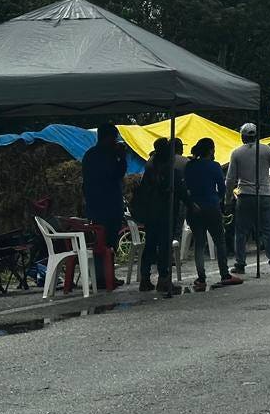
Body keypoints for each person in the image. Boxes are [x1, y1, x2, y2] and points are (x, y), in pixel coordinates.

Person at [132, 138, 190, 295]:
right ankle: (164, 280)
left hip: (150, 213)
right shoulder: (169, 169)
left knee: (150, 245)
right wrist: (192, 205)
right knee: (164, 247)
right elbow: (181, 190)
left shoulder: (150, 165)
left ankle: (145, 278)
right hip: (165, 213)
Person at [226, 123, 270, 275]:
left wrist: (227, 199)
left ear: (242, 136)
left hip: (245, 195)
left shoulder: (237, 153)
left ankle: (240, 263)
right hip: (264, 194)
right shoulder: (265, 149)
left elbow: (230, 179)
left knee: (241, 232)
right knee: (269, 230)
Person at [184, 137, 241, 289]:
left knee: (199, 243)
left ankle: (201, 278)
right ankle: (225, 275)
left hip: (194, 208)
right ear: (210, 150)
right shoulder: (214, 166)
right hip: (211, 207)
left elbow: (186, 187)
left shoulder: (189, 166)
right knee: (220, 242)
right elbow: (222, 188)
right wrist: (219, 199)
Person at [81, 122, 127, 289]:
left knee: (101, 243)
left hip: (95, 206)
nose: (115, 141)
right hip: (108, 206)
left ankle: (104, 276)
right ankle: (104, 278)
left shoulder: (89, 155)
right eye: (114, 138)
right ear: (107, 138)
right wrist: (122, 158)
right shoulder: (106, 156)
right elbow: (117, 174)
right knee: (108, 244)